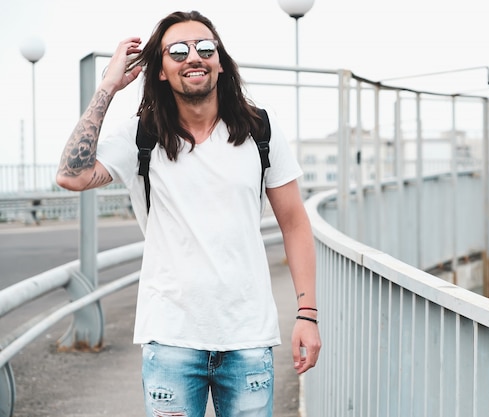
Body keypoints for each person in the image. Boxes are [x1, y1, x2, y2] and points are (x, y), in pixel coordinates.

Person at [56, 10, 321, 417]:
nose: (192, 56)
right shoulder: (141, 135)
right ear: (160, 70)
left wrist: (307, 314)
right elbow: (71, 176)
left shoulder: (259, 130)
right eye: (177, 50)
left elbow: (295, 223)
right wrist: (108, 86)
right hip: (171, 338)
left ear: (220, 60)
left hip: (248, 338)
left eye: (204, 48)